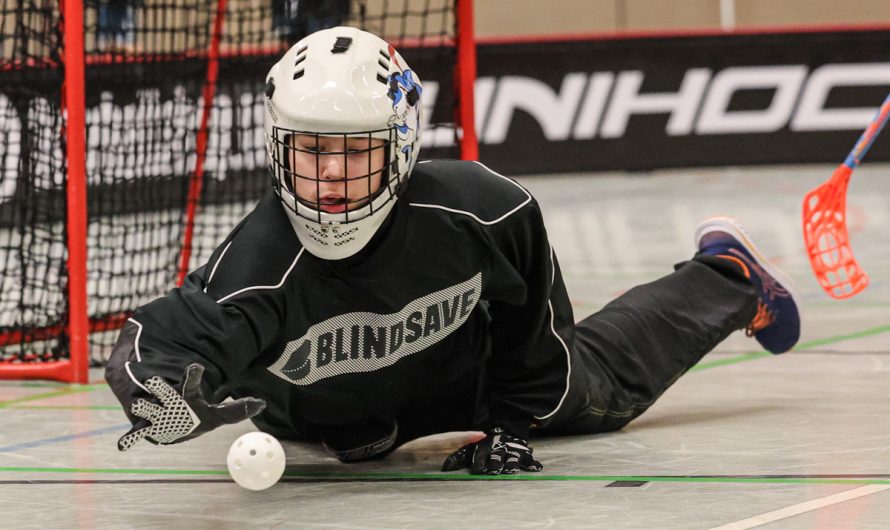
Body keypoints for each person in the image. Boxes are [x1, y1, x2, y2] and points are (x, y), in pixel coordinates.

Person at [106, 26, 801, 475]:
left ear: (400, 146)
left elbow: (534, 334)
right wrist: (161, 397)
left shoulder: (485, 210)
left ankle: (728, 275)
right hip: (334, 420)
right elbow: (160, 343)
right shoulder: (260, 264)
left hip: (467, 375)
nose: (328, 176)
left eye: (353, 153)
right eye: (309, 150)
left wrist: (513, 425)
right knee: (337, 441)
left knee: (597, 389)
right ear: (277, 148)